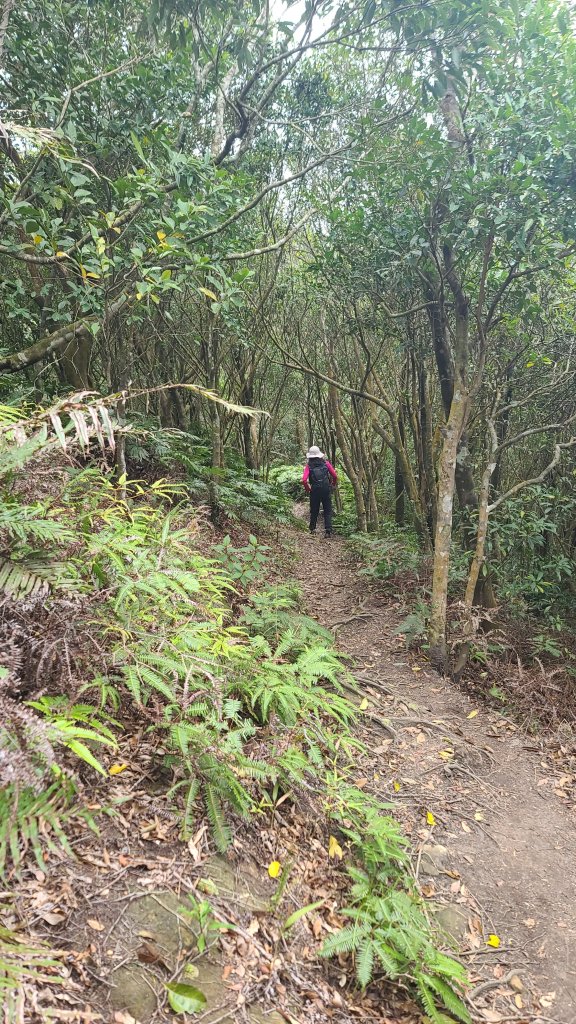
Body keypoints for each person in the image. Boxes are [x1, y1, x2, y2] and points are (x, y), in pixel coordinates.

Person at [302, 446, 338, 537]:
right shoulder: (326, 464)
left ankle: (312, 529)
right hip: (326, 489)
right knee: (327, 510)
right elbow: (335, 476)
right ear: (319, 455)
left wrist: (308, 489)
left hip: (315, 490)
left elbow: (304, 480)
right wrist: (333, 484)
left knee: (314, 510)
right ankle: (328, 531)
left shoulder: (308, 466)